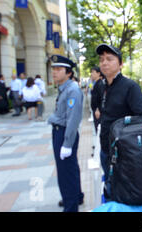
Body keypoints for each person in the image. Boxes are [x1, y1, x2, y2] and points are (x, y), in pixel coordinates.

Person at [96, 43, 142, 200]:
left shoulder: (130, 87)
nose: (104, 63)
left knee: (122, 196)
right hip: (105, 150)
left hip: (123, 156)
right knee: (109, 189)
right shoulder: (102, 87)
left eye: (109, 59)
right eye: (101, 59)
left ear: (120, 64)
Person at [47, 55, 84, 212]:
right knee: (70, 169)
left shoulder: (72, 90)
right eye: (53, 69)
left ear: (69, 73)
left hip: (64, 134)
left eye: (59, 69)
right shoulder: (64, 88)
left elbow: (73, 120)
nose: (54, 72)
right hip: (60, 132)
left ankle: (71, 206)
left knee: (65, 173)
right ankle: (75, 197)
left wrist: (67, 143)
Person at [90, 66, 105, 134]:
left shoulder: (100, 84)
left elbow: (102, 98)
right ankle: (97, 143)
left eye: (93, 72)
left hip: (98, 111)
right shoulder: (96, 83)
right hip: (95, 109)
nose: (91, 74)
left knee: (99, 128)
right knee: (96, 127)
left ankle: (99, 143)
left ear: (99, 73)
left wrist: (98, 109)